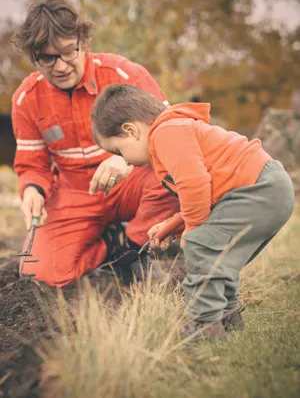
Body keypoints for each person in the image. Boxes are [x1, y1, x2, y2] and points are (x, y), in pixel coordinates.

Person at [91, 83, 295, 341]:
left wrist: (193, 228)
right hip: (264, 189)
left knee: (200, 245)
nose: (126, 161)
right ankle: (227, 315)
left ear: (131, 131)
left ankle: (203, 323)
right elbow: (205, 196)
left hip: (257, 189)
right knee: (220, 256)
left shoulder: (166, 132)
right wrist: (173, 225)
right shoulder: (173, 132)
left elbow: (194, 184)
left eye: (119, 151)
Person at [11, 0, 179, 287]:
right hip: (75, 194)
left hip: (132, 183)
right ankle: (109, 245)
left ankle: (136, 245)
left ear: (83, 41)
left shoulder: (125, 75)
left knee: (173, 176)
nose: (61, 66)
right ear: (33, 57)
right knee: (35, 270)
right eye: (48, 58)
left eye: (67, 52)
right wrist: (32, 191)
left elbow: (172, 134)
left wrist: (125, 158)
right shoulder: (26, 99)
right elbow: (32, 165)